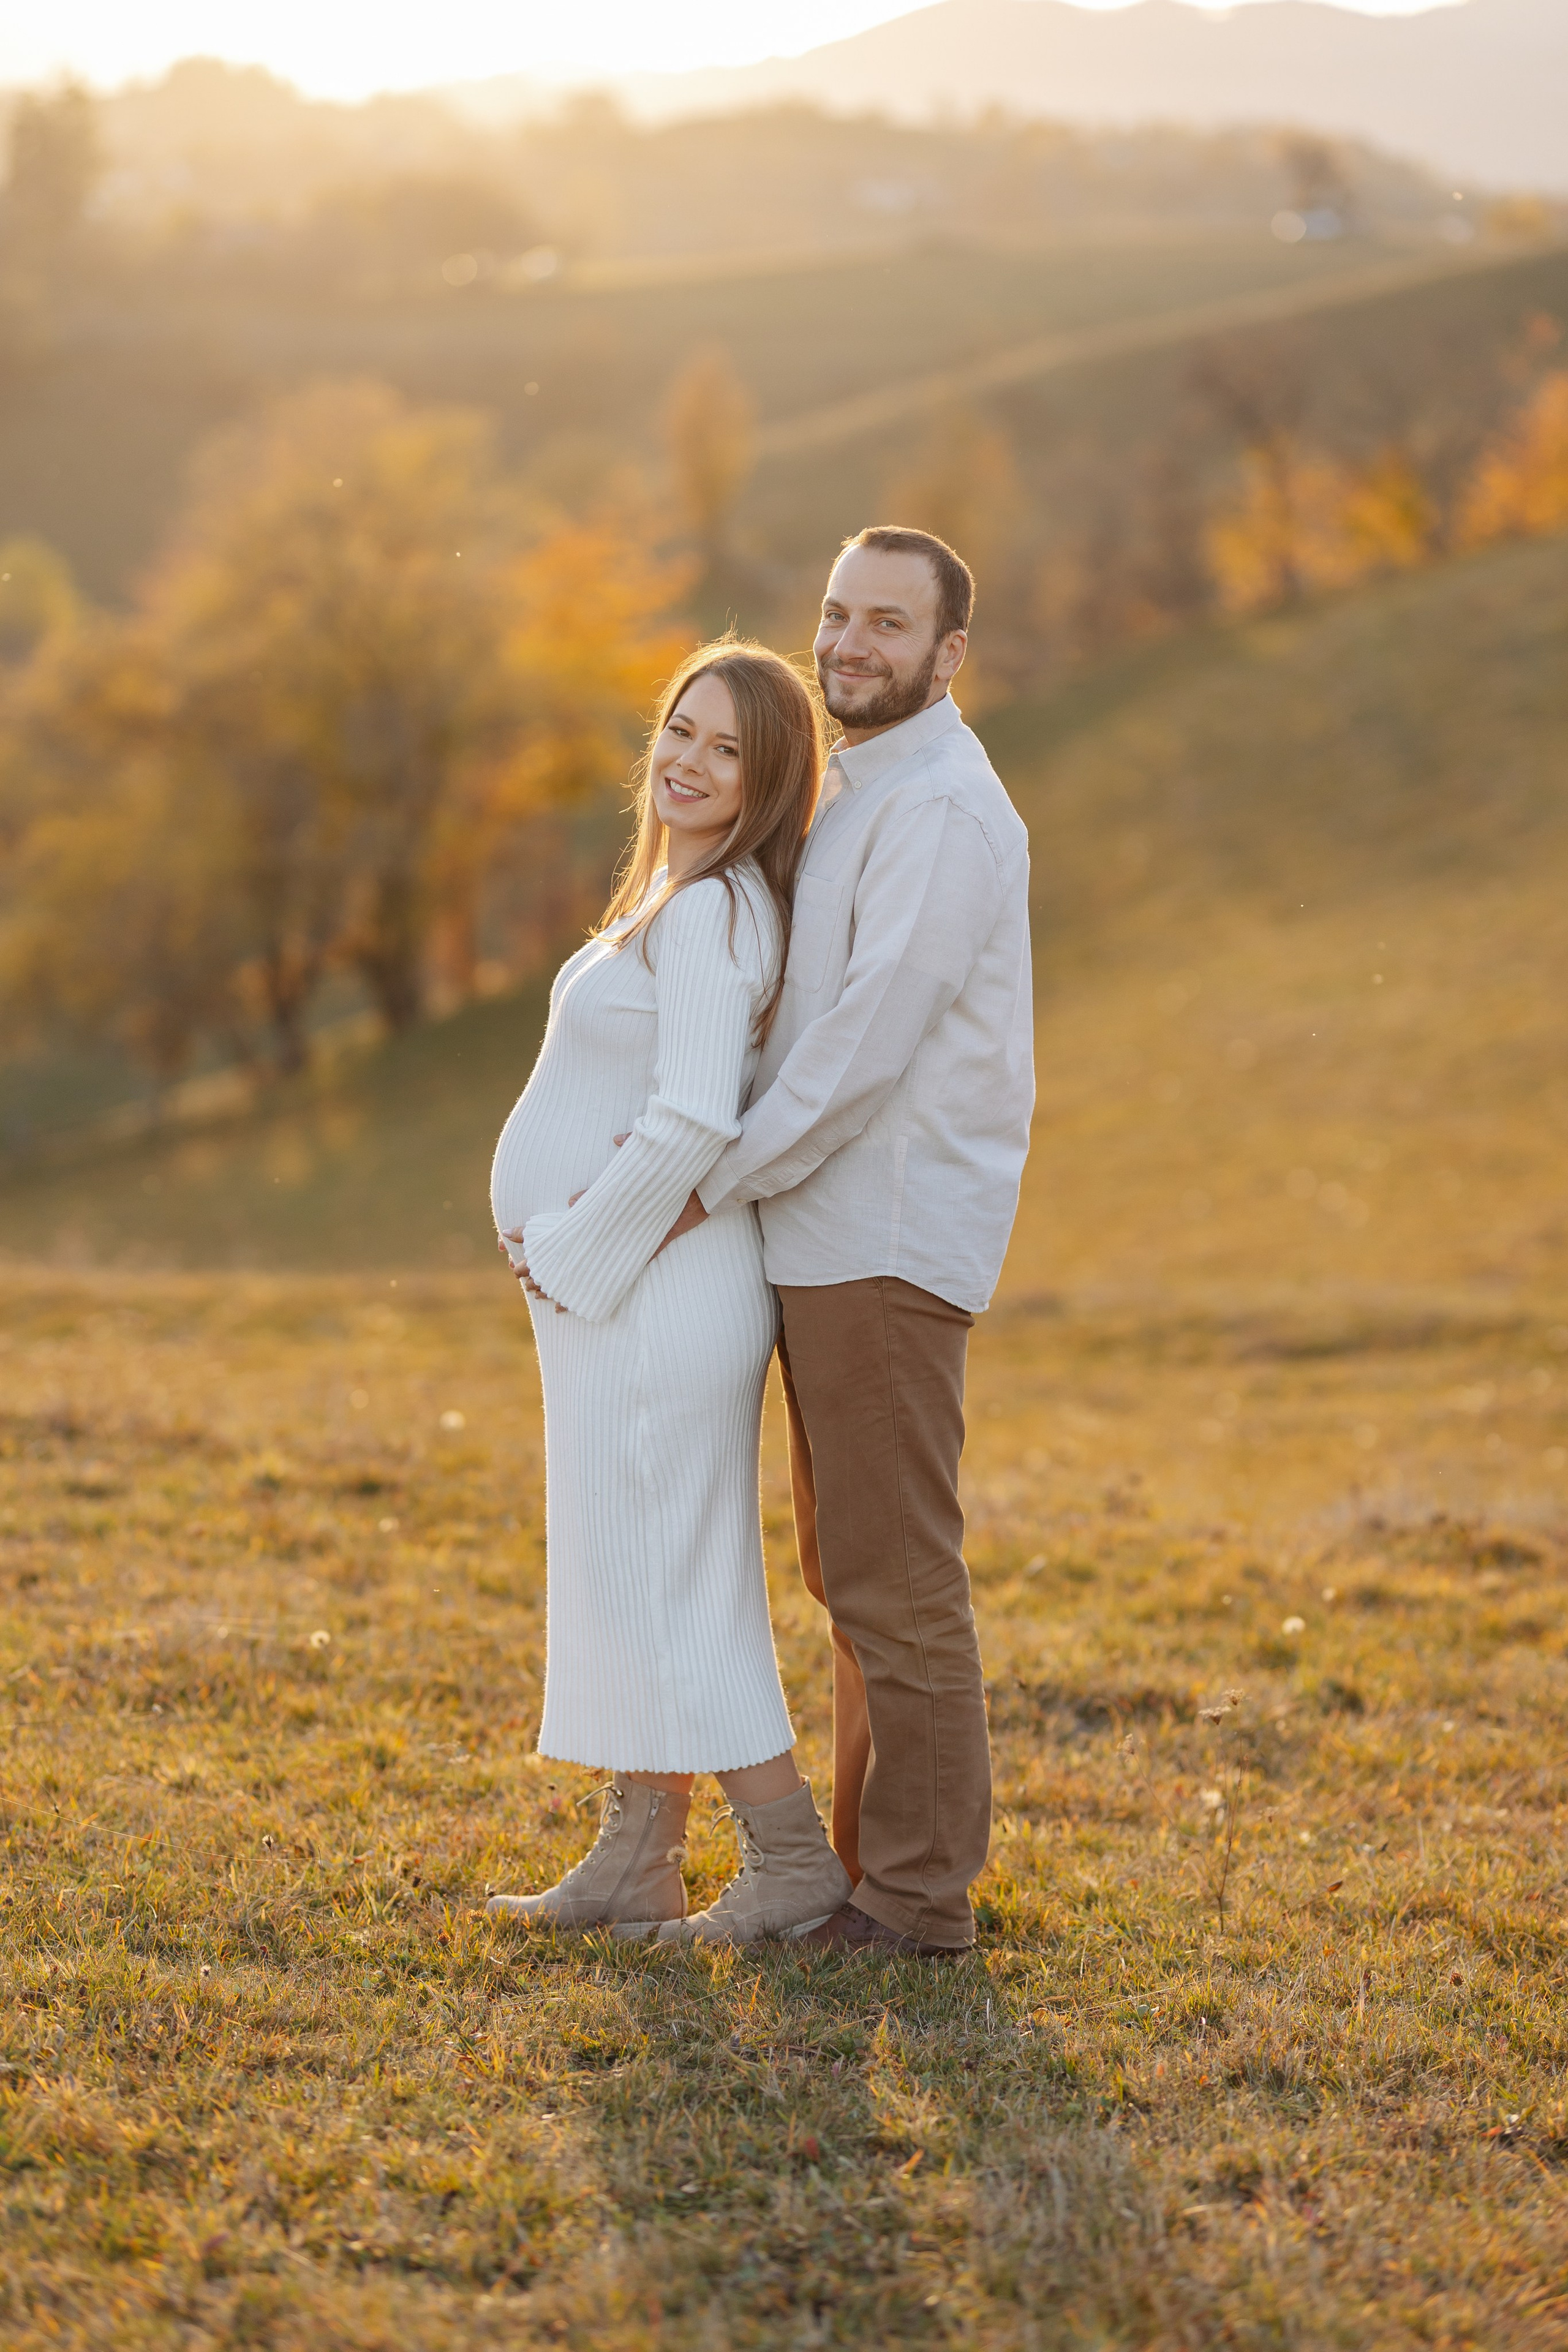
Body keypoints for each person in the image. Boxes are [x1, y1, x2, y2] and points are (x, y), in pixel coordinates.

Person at [665, 526, 1035, 1955]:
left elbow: (863, 1049)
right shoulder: (863, 787)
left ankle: (916, 1898)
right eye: (835, 614)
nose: (847, 644)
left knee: (895, 1580)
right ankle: (868, 1876)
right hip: (825, 1236)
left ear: (948, 653)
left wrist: (709, 1182)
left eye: (887, 622)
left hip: (880, 1237)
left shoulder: (939, 810)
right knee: (853, 1579)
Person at [484, 641, 852, 1943]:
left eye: (727, 749)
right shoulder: (677, 896)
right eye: (681, 731)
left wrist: (576, 1248)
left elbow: (695, 1116)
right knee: (633, 1566)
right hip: (623, 1297)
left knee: (679, 1577)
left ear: (768, 781)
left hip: (652, 1294)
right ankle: (638, 1856)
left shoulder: (710, 913)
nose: (689, 762)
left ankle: (791, 1861)